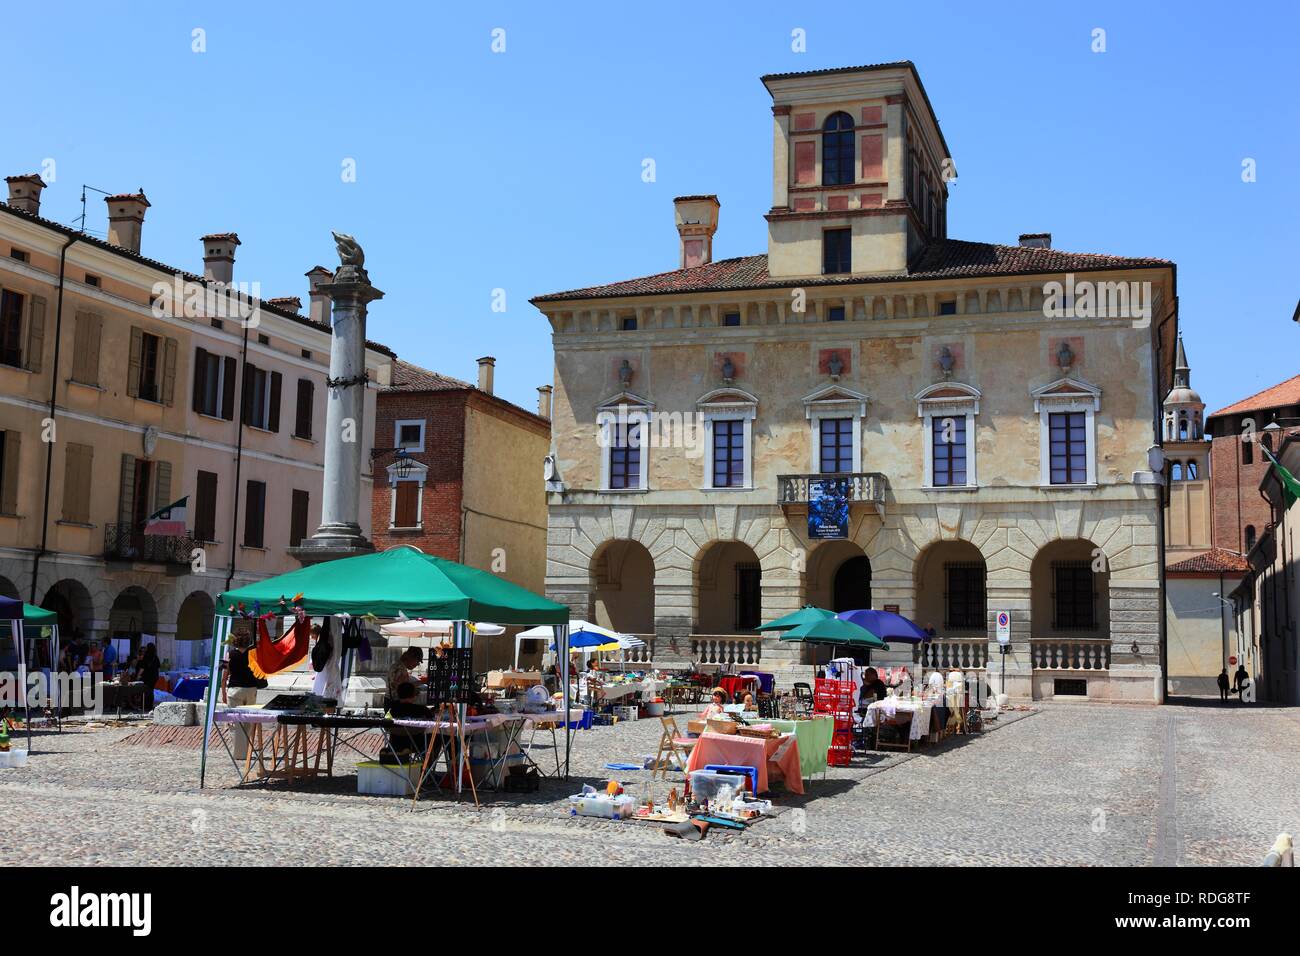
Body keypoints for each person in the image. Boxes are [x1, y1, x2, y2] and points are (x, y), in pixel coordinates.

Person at [221, 632, 267, 759]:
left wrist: (223, 693)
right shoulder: (254, 654)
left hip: (235, 689)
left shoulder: (228, 655)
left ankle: (238, 753)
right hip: (251, 689)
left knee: (235, 722)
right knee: (248, 722)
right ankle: (246, 751)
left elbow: (224, 676)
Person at [138, 643, 160, 712]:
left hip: (147, 677)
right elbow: (158, 667)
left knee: (144, 691)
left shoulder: (146, 656)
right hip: (154, 676)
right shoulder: (156, 657)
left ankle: (144, 706)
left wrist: (138, 675)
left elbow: (142, 668)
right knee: (151, 691)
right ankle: (150, 706)